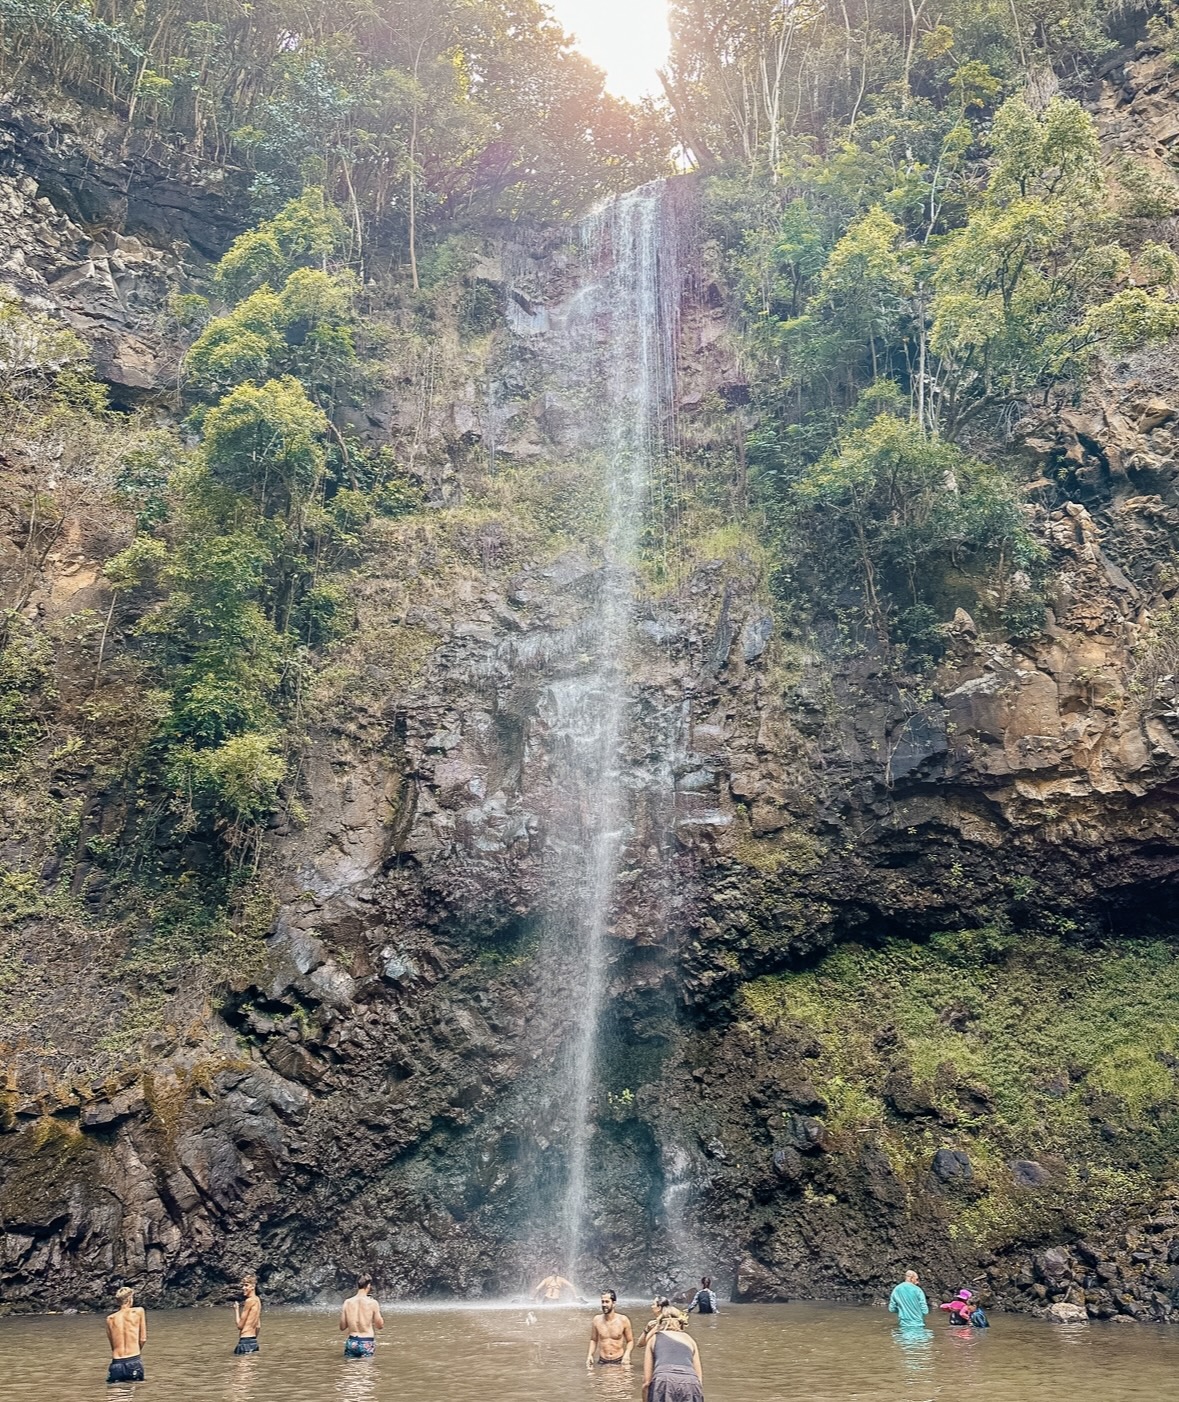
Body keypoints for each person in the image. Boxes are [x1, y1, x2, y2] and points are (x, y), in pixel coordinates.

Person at [642, 1314, 704, 1402]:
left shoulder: (654, 1338)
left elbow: (646, 1382)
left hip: (664, 1381)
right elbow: (699, 1380)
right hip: (691, 1383)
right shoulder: (690, 1340)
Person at [106, 1286, 147, 1384]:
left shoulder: (110, 1319)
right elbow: (143, 1339)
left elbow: (113, 1345)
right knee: (136, 1393)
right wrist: (135, 1350)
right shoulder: (139, 1311)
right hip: (133, 1360)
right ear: (129, 1299)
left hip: (117, 1363)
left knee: (115, 1395)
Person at [339, 1273, 384, 1358]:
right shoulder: (373, 1303)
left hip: (352, 1341)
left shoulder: (347, 1302)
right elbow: (380, 1326)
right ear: (368, 1285)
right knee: (366, 1369)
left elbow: (342, 1327)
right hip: (366, 1342)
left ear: (358, 1285)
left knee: (350, 1369)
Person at [587, 1289, 634, 1368]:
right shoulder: (596, 1320)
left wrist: (627, 1354)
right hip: (603, 1360)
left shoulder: (623, 1320)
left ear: (614, 1303)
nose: (604, 1304)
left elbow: (630, 1341)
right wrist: (590, 1355)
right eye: (602, 1302)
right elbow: (593, 1340)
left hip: (619, 1360)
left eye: (607, 1302)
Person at [234, 1275, 262, 1353]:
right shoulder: (258, 1300)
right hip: (254, 1341)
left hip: (244, 1341)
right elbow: (258, 1326)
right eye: (243, 1285)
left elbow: (240, 1326)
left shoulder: (249, 1301)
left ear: (253, 1287)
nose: (243, 1288)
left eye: (246, 1285)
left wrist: (236, 1310)